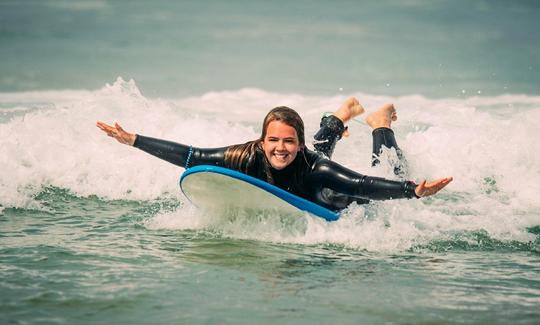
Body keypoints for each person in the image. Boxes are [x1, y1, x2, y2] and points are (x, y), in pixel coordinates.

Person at [96, 97, 452, 211]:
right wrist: (134, 140)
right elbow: (192, 156)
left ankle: (380, 122)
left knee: (388, 172)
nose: (280, 147)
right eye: (273, 141)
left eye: (288, 141)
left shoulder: (319, 171)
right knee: (311, 154)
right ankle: (340, 116)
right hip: (301, 179)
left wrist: (411, 190)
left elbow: (362, 183)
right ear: (262, 141)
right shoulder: (247, 156)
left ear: (297, 143)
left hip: (333, 199)